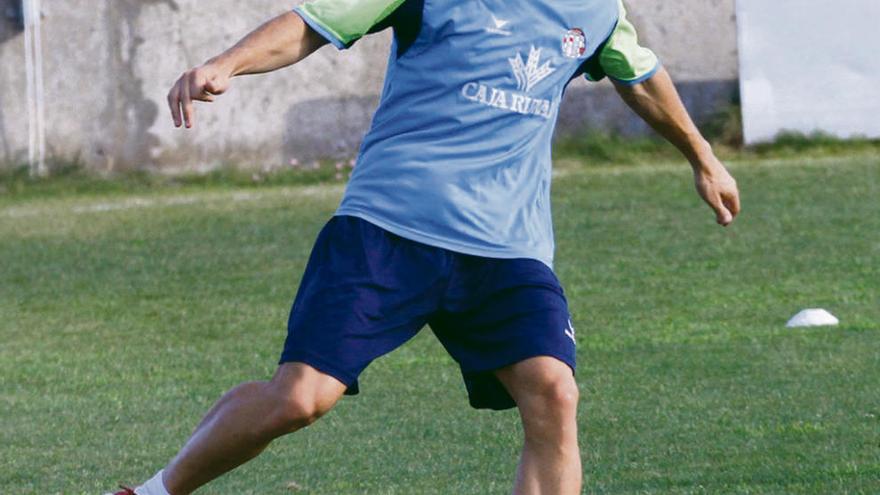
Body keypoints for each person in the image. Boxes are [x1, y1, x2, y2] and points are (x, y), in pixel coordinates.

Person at [110, 0, 740, 493]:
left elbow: (640, 75)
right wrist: (226, 65)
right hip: (388, 228)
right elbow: (313, 24)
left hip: (507, 247)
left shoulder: (596, 10)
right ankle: (156, 491)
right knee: (299, 400)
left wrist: (703, 157)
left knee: (553, 391)